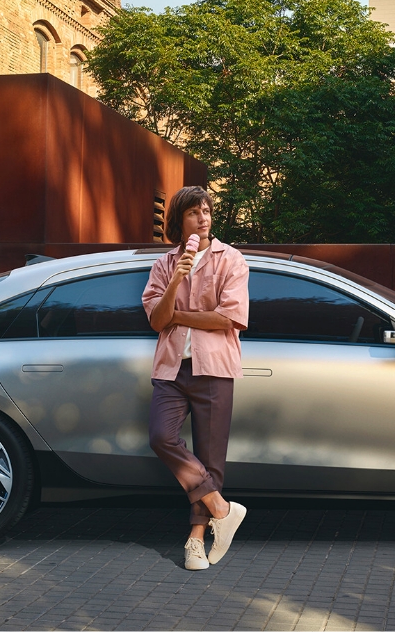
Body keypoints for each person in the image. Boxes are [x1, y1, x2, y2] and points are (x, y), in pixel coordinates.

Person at [142, 185, 250, 571]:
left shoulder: (231, 260)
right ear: (179, 221)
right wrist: (176, 280)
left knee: (210, 457)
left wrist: (178, 314)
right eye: (193, 213)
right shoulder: (164, 264)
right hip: (171, 369)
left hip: (214, 370)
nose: (202, 218)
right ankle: (222, 508)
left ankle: (195, 540)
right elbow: (156, 319)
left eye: (206, 211)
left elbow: (229, 319)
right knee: (161, 437)